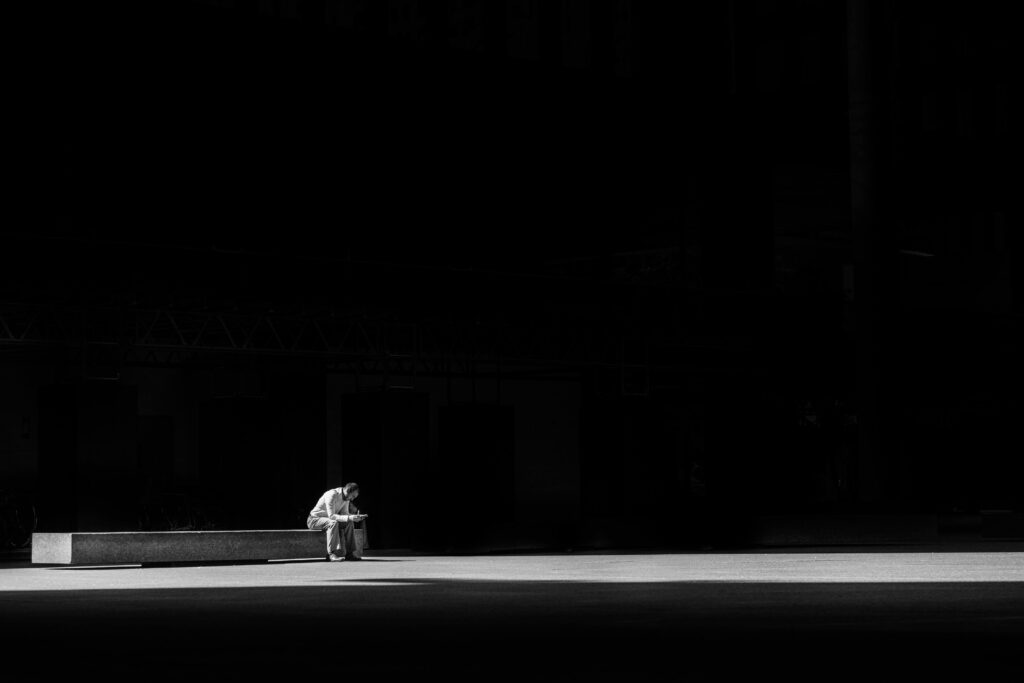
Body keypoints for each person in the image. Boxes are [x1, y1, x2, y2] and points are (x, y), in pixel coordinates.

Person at [307, 482, 368, 561]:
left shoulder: (346, 498)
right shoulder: (332, 494)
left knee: (349, 522)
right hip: (314, 520)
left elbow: (345, 514)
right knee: (333, 522)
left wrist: (355, 517)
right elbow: (331, 516)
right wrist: (350, 517)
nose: (352, 499)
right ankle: (331, 554)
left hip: (328, 520)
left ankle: (349, 554)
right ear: (348, 491)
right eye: (352, 496)